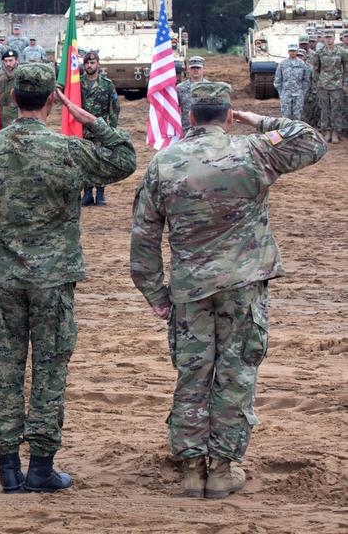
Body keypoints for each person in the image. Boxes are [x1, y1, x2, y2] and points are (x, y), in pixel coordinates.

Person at [130, 82, 327, 499]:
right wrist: (259, 120)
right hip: (243, 286)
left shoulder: (164, 163)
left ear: (189, 117)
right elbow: (311, 140)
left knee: (193, 375)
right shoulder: (252, 150)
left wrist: (155, 294)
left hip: (189, 290)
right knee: (236, 374)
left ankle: (190, 468)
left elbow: (144, 238)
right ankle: (222, 468)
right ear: (228, 113)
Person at [0, 63, 136, 494]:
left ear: (13, 99)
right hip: (53, 280)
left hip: (8, 278)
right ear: (53, 99)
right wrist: (90, 119)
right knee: (50, 368)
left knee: (8, 367)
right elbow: (124, 158)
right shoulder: (66, 150)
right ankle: (41, 467)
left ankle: (9, 467)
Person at [79, 50, 120, 207]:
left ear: (98, 64)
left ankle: (100, 194)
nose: (89, 66)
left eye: (92, 62)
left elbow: (114, 108)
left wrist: (112, 131)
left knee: (101, 162)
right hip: (82, 130)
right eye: (87, 63)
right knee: (85, 163)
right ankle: (87, 193)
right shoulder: (77, 84)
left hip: (101, 131)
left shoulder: (107, 84)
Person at [310, 29, 347, 143]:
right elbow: (316, 70)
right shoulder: (319, 52)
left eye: (330, 37)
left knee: (336, 109)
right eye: (326, 37)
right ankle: (326, 132)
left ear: (334, 38)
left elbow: (346, 69)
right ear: (324, 39)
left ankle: (336, 132)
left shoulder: (341, 51)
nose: (328, 39)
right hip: (323, 84)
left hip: (336, 85)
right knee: (324, 109)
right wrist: (316, 84)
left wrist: (345, 83)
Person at [274, 44, 311, 121]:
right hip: (286, 93)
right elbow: (278, 80)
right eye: (291, 51)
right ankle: (286, 131)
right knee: (286, 116)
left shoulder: (301, 64)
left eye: (294, 51)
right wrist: (281, 92)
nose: (292, 52)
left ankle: (296, 132)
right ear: (288, 52)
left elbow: (306, 80)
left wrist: (302, 92)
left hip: (298, 94)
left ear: (296, 51)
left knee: (297, 115)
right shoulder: (283, 63)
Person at [177, 56, 207, 134]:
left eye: (198, 68)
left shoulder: (210, 87)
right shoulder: (180, 88)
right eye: (193, 68)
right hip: (187, 131)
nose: (195, 70)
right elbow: (175, 108)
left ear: (203, 69)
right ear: (189, 70)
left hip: (206, 130)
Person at [0, 49, 20, 129]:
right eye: (5, 61)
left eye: (10, 60)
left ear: (16, 60)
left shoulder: (22, 78)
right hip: (0, 118)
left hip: (16, 119)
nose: (8, 64)